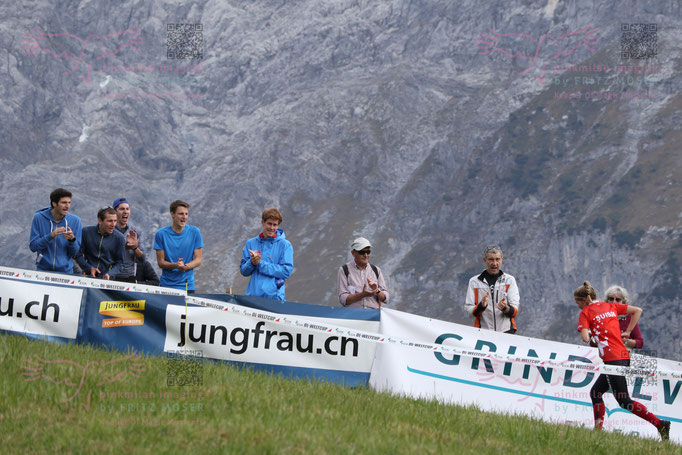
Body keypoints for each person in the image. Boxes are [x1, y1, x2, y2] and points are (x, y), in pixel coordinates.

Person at [574, 281, 670, 440]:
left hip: (614, 359)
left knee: (624, 400)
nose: (578, 306)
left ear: (584, 300)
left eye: (577, 303)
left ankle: (661, 424)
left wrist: (595, 334)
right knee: (596, 392)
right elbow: (638, 310)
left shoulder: (586, 312)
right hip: (620, 357)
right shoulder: (610, 307)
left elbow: (585, 338)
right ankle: (597, 432)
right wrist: (624, 333)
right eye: (611, 298)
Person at [239, 208, 293, 301]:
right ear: (262, 222)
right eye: (269, 223)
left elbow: (286, 271)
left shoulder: (285, 245)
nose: (272, 228)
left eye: (275, 225)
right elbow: (244, 272)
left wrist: (260, 263)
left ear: (278, 225)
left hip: (275, 299)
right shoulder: (251, 243)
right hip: (253, 297)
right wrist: (251, 263)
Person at [464, 244, 519, 333]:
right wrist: (481, 306)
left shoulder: (509, 280)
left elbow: (515, 311)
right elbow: (469, 311)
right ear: (484, 260)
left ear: (502, 260)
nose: (494, 263)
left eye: (497, 259)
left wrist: (505, 308)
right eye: (491, 259)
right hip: (483, 332)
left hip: (507, 331)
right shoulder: (474, 282)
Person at [154, 200, 203, 292]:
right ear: (172, 214)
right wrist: (176, 265)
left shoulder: (195, 232)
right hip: (166, 286)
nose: (184, 217)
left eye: (186, 214)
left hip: (187, 286)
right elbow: (161, 262)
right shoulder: (161, 234)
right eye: (181, 214)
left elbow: (198, 259)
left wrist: (185, 266)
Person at [29, 188, 82, 273]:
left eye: (69, 202)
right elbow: (33, 246)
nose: (67, 206)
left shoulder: (75, 221)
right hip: (43, 271)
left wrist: (72, 240)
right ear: (54, 203)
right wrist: (51, 236)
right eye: (64, 203)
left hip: (65, 272)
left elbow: (75, 253)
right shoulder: (38, 218)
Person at [74, 207, 126, 280]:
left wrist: (109, 274)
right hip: (87, 277)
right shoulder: (86, 232)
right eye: (110, 221)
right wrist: (89, 268)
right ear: (100, 220)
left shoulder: (119, 238)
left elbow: (120, 263)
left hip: (108, 280)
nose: (113, 224)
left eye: (115, 221)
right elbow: (78, 255)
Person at [337, 237, 389, 309]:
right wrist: (362, 295)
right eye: (362, 252)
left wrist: (377, 290)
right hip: (353, 316)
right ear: (353, 253)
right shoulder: (344, 270)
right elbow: (343, 299)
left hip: (373, 316)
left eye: (368, 252)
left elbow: (386, 298)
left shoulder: (376, 270)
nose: (366, 255)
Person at [112, 197, 145, 282]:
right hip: (110, 276)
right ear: (115, 212)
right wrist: (123, 246)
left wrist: (135, 247)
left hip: (128, 278)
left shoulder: (136, 232)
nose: (125, 211)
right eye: (122, 209)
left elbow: (143, 259)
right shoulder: (109, 229)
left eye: (127, 209)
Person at [604, 285, 644, 351]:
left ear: (623, 302)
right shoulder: (602, 316)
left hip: (623, 355)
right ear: (607, 300)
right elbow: (592, 343)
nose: (614, 302)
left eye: (618, 299)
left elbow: (640, 343)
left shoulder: (630, 318)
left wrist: (625, 341)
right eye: (611, 299)